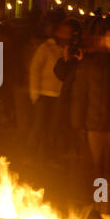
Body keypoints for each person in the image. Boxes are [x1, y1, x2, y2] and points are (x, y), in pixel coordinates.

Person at [65, 27, 110, 219]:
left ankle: (104, 204)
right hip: (96, 124)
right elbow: (79, 96)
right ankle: (101, 203)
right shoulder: (93, 64)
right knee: (100, 167)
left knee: (106, 167)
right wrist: (78, 124)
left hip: (109, 124)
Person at [28, 16, 71, 159]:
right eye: (64, 32)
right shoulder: (46, 48)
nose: (67, 35)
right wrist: (35, 93)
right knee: (39, 126)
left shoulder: (69, 49)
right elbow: (35, 69)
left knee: (54, 127)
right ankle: (32, 155)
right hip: (44, 94)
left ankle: (47, 156)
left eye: (69, 32)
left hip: (60, 95)